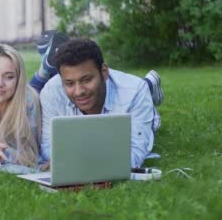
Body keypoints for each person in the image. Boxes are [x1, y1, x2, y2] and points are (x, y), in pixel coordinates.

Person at [38, 37, 163, 168]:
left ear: (104, 72)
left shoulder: (136, 91)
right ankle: (150, 85)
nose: (79, 91)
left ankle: (150, 87)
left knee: (152, 121)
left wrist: (75, 162)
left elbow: (135, 154)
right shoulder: (51, 92)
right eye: (69, 83)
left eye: (86, 80)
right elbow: (48, 145)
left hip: (129, 97)